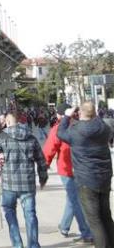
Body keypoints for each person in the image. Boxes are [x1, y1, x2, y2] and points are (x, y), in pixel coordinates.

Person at [0, 113, 48, 248]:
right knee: (30, 214)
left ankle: (17, 244)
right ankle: (33, 245)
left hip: (9, 183)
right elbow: (41, 161)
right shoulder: (31, 137)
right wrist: (43, 177)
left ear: (7, 123)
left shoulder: (1, 138)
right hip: (28, 182)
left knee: (9, 211)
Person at [58, 102, 114, 248]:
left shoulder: (75, 130)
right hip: (104, 177)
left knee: (94, 220)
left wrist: (66, 116)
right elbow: (98, 122)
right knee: (106, 216)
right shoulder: (104, 128)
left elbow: (60, 133)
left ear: (80, 113)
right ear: (95, 113)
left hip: (86, 179)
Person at [43, 103, 93, 243]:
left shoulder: (58, 129)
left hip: (66, 169)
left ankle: (86, 232)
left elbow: (49, 149)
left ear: (59, 114)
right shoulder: (80, 126)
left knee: (75, 200)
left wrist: (44, 166)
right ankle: (64, 226)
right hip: (81, 168)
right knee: (73, 199)